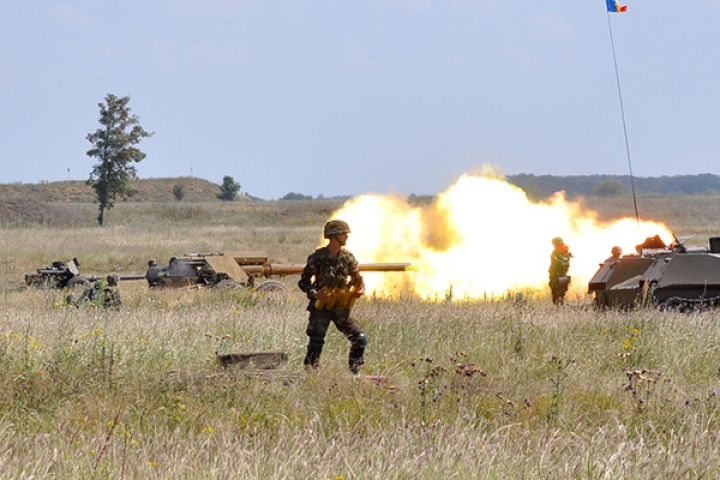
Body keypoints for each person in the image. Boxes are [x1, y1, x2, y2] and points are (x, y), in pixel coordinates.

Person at [298, 220, 367, 374]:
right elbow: (303, 281)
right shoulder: (317, 257)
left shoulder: (347, 257)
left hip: (340, 307)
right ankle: (310, 373)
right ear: (334, 235)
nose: (347, 237)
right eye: (344, 234)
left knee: (360, 339)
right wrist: (314, 294)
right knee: (316, 342)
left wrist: (360, 290)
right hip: (320, 308)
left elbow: (357, 279)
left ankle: (354, 372)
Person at [548, 236, 572, 306]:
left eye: (555, 244)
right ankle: (560, 304)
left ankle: (559, 305)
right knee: (561, 293)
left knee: (557, 292)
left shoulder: (557, 253)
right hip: (562, 275)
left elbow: (560, 263)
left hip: (557, 275)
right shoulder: (565, 253)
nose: (554, 246)